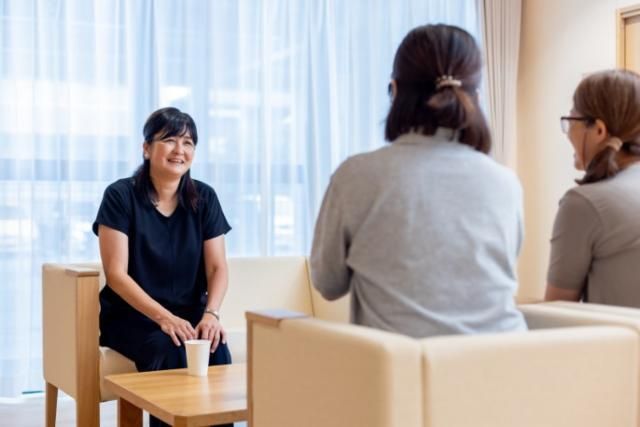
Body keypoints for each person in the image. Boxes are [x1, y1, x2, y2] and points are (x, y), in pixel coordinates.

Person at [309, 24, 527, 338]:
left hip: (404, 364)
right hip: (505, 359)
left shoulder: (356, 176)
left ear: (395, 90)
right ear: (477, 97)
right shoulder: (505, 182)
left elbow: (328, 283)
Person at [93, 107, 233, 427]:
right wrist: (164, 318)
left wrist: (211, 315)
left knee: (217, 348)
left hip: (188, 315)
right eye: (169, 140)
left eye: (188, 142)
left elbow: (218, 268)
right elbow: (116, 275)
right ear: (146, 148)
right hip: (133, 317)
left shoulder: (205, 197)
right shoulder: (119, 196)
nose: (179, 150)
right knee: (170, 351)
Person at [545, 69, 640, 306]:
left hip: (617, 334)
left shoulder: (584, 204)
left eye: (571, 121)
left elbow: (556, 312)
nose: (568, 133)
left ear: (599, 130)